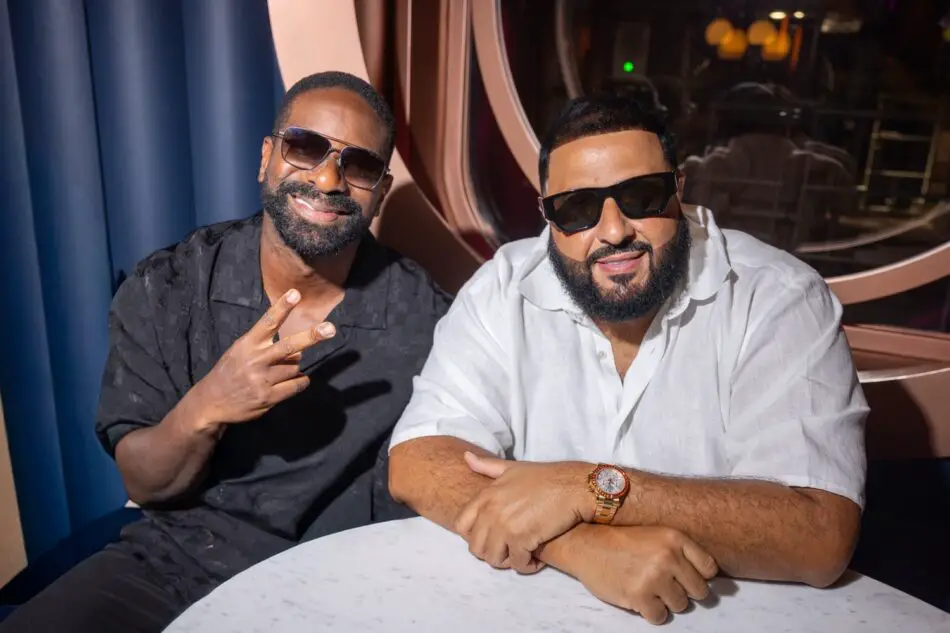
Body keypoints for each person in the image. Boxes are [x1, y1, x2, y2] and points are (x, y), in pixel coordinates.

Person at [388, 95, 867, 625]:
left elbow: (821, 535)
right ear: (548, 216)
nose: (614, 231)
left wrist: (587, 488)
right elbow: (418, 460)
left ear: (678, 192)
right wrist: (577, 546)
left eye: (641, 196)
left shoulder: (777, 298)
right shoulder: (502, 288)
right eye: (578, 208)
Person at [1, 71, 448, 633]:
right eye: (305, 148)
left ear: (380, 193)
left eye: (358, 166)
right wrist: (209, 403)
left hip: (339, 587)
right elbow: (144, 483)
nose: (329, 178)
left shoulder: (429, 321)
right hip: (178, 565)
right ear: (267, 157)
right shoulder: (169, 286)